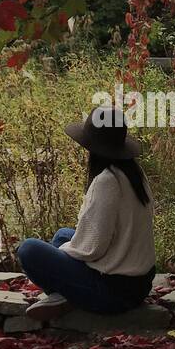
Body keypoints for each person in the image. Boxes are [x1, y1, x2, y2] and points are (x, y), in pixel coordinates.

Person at [16, 105, 155, 321]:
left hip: (115, 292)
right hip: (140, 282)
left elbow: (92, 249)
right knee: (63, 234)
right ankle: (65, 295)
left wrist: (63, 252)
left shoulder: (107, 182)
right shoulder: (134, 174)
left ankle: (68, 295)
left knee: (28, 250)